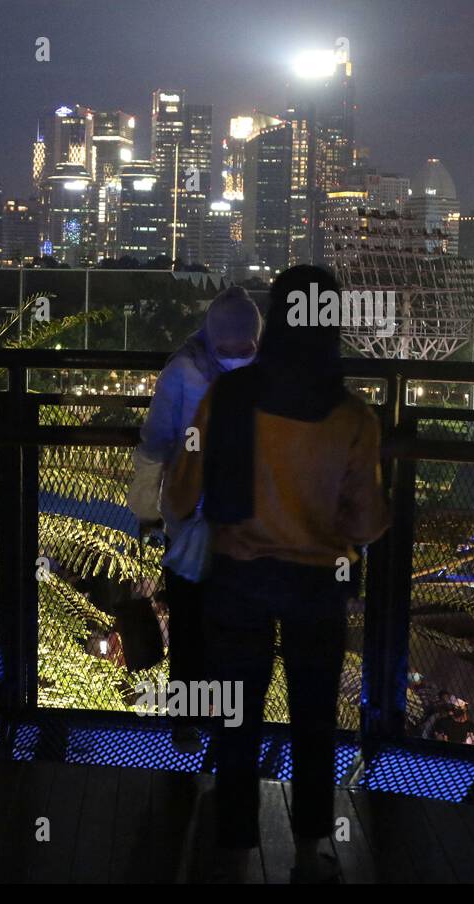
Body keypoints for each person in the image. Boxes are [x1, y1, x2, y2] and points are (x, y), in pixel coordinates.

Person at [164, 265, 389, 883]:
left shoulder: (226, 397)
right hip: (317, 589)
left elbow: (182, 491)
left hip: (237, 579)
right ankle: (313, 847)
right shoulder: (353, 419)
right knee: (315, 716)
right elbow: (367, 523)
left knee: (237, 712)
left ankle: (232, 843)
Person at [127, 287, 262, 752]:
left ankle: (191, 720)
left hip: (194, 520)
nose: (238, 355)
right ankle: (226, 724)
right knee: (220, 625)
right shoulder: (255, 373)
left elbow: (154, 446)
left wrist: (147, 512)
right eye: (234, 348)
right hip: (230, 522)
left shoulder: (184, 370)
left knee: (190, 621)